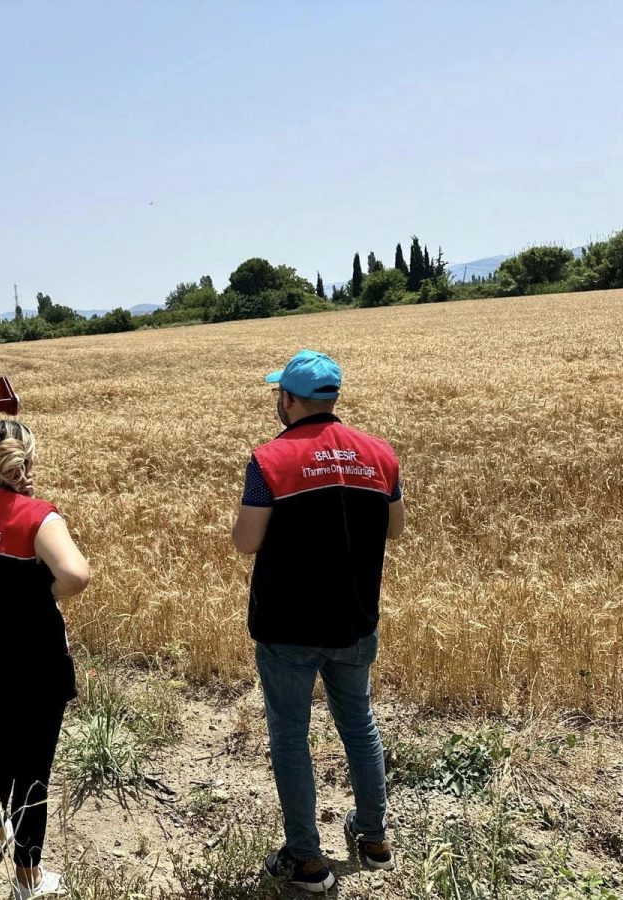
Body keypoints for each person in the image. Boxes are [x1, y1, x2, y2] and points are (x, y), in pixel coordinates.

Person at [231, 349, 405, 894]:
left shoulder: (269, 461)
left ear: (289, 399)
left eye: (278, 393)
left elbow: (246, 542)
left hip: (287, 626)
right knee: (360, 723)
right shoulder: (380, 455)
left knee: (290, 736)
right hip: (355, 619)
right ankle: (373, 840)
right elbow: (394, 529)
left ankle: (307, 859)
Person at [0, 419, 90, 899]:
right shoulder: (37, 516)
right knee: (33, 768)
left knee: (2, 741)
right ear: (26, 461)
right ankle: (28, 876)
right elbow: (76, 574)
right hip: (34, 664)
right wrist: (40, 595)